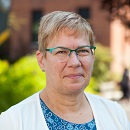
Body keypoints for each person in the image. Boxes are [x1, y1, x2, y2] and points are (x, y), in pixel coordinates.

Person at [0, 11, 130, 130]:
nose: (74, 62)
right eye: (61, 52)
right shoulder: (14, 122)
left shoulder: (116, 114)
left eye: (83, 51)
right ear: (41, 60)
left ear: (92, 57)